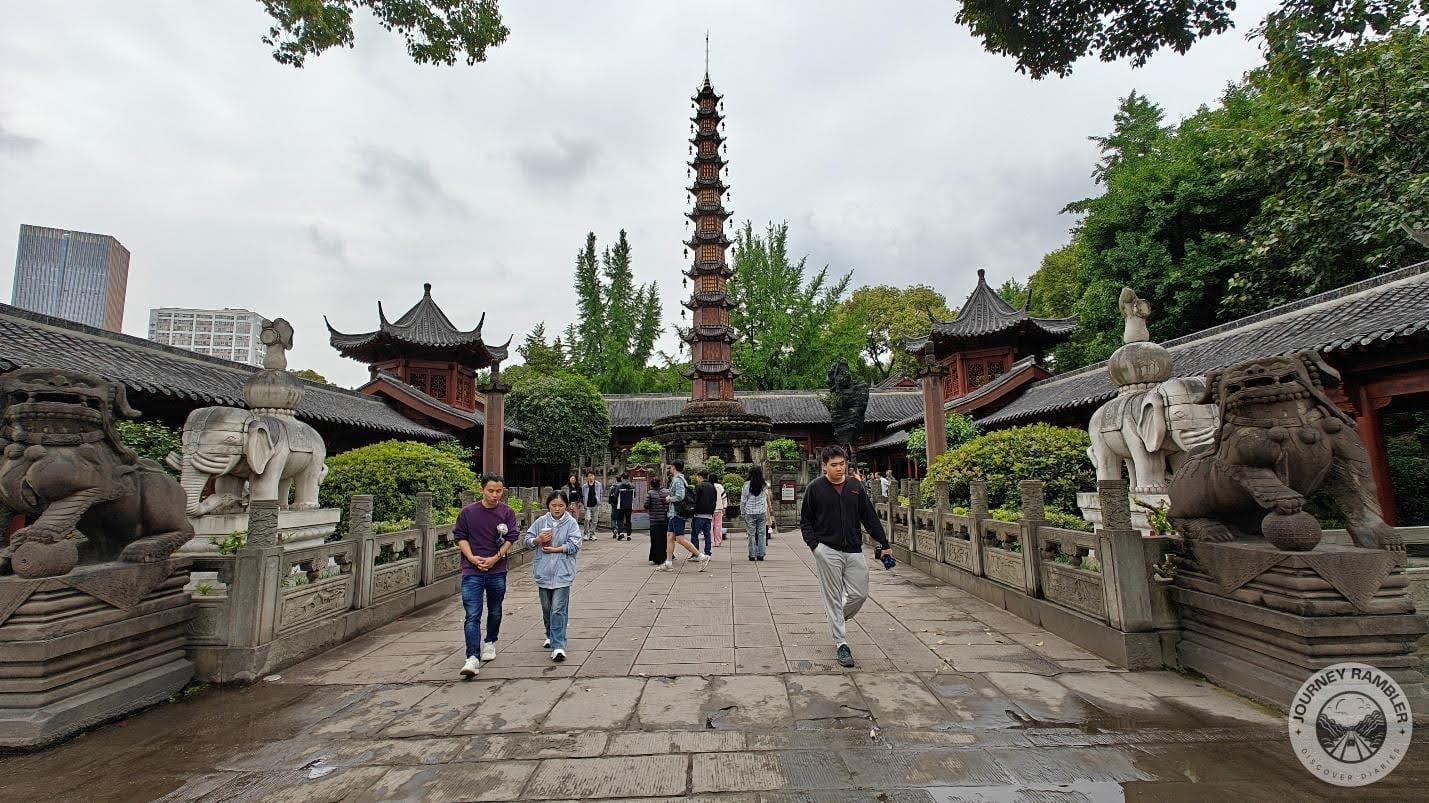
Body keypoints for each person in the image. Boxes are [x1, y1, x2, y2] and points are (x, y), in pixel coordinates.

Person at [800, 445, 889, 668]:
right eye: (834, 465)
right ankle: (841, 644)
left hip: (853, 549)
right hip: (827, 550)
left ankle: (835, 618)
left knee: (860, 594)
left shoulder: (854, 486)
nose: (839, 469)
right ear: (824, 466)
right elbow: (806, 521)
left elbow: (869, 517)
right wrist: (815, 547)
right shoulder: (815, 488)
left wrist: (884, 543)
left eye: (842, 464)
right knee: (832, 596)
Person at [455, 473, 519, 678]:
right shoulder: (468, 512)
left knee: (495, 609)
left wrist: (495, 557)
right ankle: (472, 657)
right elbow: (460, 537)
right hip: (472, 569)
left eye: (499, 491)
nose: (495, 495)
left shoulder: (506, 512)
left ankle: (490, 641)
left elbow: (511, 537)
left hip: (497, 569)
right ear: (482, 489)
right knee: (472, 613)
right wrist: (472, 558)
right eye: (491, 490)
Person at [524, 490, 583, 662]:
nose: (557, 509)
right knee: (547, 608)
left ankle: (558, 645)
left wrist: (557, 549)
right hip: (543, 573)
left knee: (558, 609)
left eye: (561, 506)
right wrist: (538, 540)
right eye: (553, 505)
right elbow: (527, 541)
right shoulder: (541, 522)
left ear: (566, 506)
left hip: (563, 573)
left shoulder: (571, 523)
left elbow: (575, 545)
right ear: (548, 505)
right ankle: (550, 634)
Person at [658, 461, 707, 571]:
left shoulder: (678, 480)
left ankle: (700, 556)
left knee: (679, 538)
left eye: (671, 467)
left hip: (677, 513)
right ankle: (668, 562)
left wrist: (669, 498)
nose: (670, 468)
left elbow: (680, 496)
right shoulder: (680, 479)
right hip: (673, 513)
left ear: (674, 467)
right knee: (670, 536)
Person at [741, 466, 772, 561]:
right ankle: (761, 554)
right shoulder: (764, 485)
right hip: (762, 512)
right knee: (762, 533)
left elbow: (743, 500)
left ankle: (752, 554)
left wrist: (742, 511)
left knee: (751, 534)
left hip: (749, 512)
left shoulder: (746, 485)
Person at [690, 469, 718, 557]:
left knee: (694, 534)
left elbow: (695, 500)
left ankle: (695, 553)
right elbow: (715, 500)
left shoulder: (699, 486)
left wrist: (692, 510)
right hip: (709, 515)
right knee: (707, 535)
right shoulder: (712, 487)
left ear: (700, 476)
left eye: (697, 477)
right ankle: (708, 553)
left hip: (699, 514)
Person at [646, 476, 670, 564]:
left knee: (655, 539)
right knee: (663, 538)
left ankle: (655, 557)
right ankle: (664, 556)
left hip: (654, 520)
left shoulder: (650, 493)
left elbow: (646, 505)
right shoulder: (667, 492)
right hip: (664, 519)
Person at [611, 474, 635, 541]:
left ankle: (620, 533)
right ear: (628, 478)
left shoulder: (619, 486)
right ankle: (628, 535)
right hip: (629, 506)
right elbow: (634, 495)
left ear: (622, 478)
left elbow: (615, 496)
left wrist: (615, 502)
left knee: (620, 520)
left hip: (620, 506)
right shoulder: (632, 486)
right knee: (628, 520)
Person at [581, 471, 603, 541]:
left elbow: (601, 493)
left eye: (592, 475)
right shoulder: (584, 486)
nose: (591, 477)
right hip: (587, 505)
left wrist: (600, 501)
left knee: (595, 520)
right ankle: (585, 534)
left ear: (594, 476)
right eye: (589, 476)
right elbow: (583, 495)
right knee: (587, 519)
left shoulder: (598, 484)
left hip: (595, 504)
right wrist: (584, 503)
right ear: (587, 477)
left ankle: (592, 534)